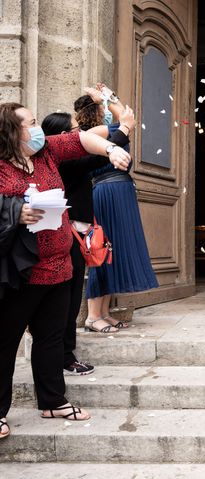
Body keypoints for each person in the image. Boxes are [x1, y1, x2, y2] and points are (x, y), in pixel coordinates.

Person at [0, 102, 131, 439]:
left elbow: (84, 141)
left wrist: (113, 148)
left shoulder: (45, 152)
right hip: (22, 272)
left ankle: (53, 401)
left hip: (59, 266)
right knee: (5, 342)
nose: (37, 127)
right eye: (31, 123)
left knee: (51, 337)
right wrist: (16, 212)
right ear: (12, 132)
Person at [42, 108, 134, 372]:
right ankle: (64, 357)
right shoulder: (64, 162)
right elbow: (95, 159)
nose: (80, 135)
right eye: (75, 131)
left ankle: (64, 355)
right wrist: (125, 128)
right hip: (66, 237)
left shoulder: (55, 160)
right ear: (62, 137)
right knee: (66, 302)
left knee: (69, 301)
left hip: (73, 235)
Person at [76, 85, 158, 331]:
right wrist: (107, 95)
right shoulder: (101, 131)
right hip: (109, 194)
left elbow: (123, 116)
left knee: (110, 252)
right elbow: (126, 116)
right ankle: (93, 316)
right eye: (103, 106)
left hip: (116, 191)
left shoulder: (98, 131)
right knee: (102, 251)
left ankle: (103, 312)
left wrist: (106, 95)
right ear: (98, 110)